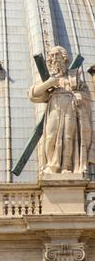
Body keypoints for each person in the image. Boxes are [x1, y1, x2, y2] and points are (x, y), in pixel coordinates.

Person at [29, 46, 94, 174]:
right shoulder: (47, 78)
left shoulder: (73, 78)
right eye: (52, 57)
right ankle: (51, 166)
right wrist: (49, 83)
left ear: (65, 59)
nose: (54, 59)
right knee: (50, 136)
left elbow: (86, 94)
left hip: (71, 110)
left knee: (68, 138)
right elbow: (33, 94)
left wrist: (80, 95)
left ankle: (66, 167)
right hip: (54, 109)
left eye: (57, 56)